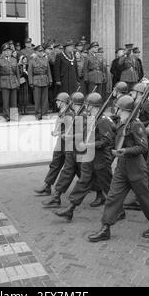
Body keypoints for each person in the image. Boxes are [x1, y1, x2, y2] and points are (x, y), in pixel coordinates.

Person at [87, 95, 149, 242]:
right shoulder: (122, 123)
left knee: (144, 198)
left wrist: (125, 151)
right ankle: (105, 228)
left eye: (120, 110)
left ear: (128, 111)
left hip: (136, 168)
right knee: (113, 197)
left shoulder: (136, 124)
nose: (117, 112)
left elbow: (143, 147)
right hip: (122, 168)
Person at [54, 92, 115, 220]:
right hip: (89, 157)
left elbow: (106, 141)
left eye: (88, 105)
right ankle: (71, 208)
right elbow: (84, 133)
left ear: (94, 106)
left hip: (101, 159)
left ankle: (118, 210)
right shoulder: (93, 118)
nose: (86, 107)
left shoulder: (103, 121)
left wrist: (89, 145)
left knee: (108, 186)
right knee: (83, 181)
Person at [42, 92, 85, 208]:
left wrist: (64, 134)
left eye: (58, 101)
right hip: (67, 144)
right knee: (66, 169)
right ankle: (55, 195)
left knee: (86, 174)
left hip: (74, 146)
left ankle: (99, 191)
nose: (56, 102)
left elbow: (81, 133)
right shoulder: (69, 113)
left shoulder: (77, 115)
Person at [34, 92, 72, 196]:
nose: (56, 102)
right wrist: (56, 131)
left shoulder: (69, 114)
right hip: (61, 142)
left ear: (64, 102)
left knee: (75, 168)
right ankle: (47, 186)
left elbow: (71, 130)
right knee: (55, 164)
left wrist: (58, 133)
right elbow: (58, 123)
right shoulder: (62, 112)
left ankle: (93, 186)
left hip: (69, 142)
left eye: (58, 101)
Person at [0, 43, 20, 122]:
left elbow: (17, 73)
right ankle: (6, 116)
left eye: (9, 51)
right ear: (2, 52)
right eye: (5, 51)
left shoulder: (14, 60)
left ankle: (13, 116)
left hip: (13, 81)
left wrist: (18, 82)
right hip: (4, 82)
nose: (7, 52)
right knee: (5, 101)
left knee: (14, 101)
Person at [28, 45, 52, 120]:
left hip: (44, 80)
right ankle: (38, 114)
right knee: (37, 99)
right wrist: (31, 82)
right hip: (36, 80)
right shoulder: (32, 61)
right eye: (39, 51)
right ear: (35, 52)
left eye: (42, 51)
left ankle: (44, 113)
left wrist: (50, 80)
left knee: (45, 99)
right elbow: (30, 72)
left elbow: (48, 71)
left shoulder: (45, 60)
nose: (41, 53)